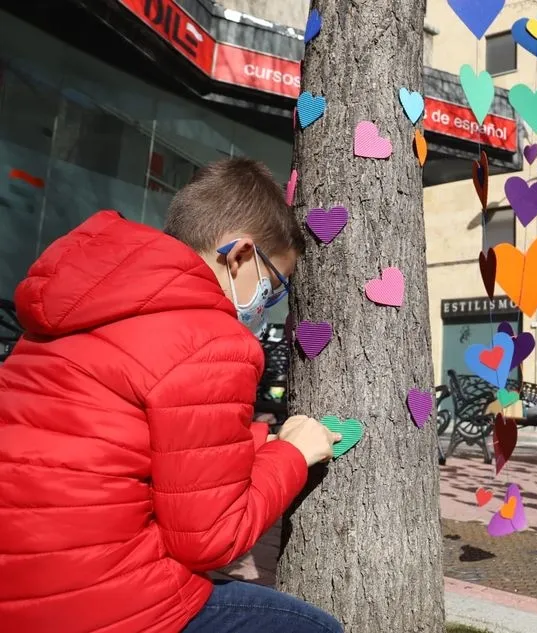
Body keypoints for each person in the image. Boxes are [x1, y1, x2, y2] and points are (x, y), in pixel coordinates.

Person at [0, 158, 345, 632]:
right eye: (274, 287)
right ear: (241, 255)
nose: (269, 305)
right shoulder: (213, 340)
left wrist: (253, 442)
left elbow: (121, 443)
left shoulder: (71, 312)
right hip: (98, 605)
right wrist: (291, 453)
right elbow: (211, 540)